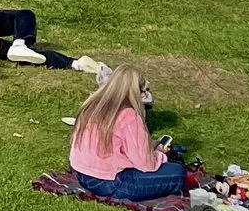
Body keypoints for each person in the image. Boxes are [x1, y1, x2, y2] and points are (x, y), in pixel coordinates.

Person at [70, 66, 190, 202]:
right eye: (144, 92)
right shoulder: (128, 115)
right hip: (112, 183)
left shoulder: (91, 106)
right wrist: (160, 154)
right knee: (177, 173)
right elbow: (145, 164)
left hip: (82, 175)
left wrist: (150, 146)